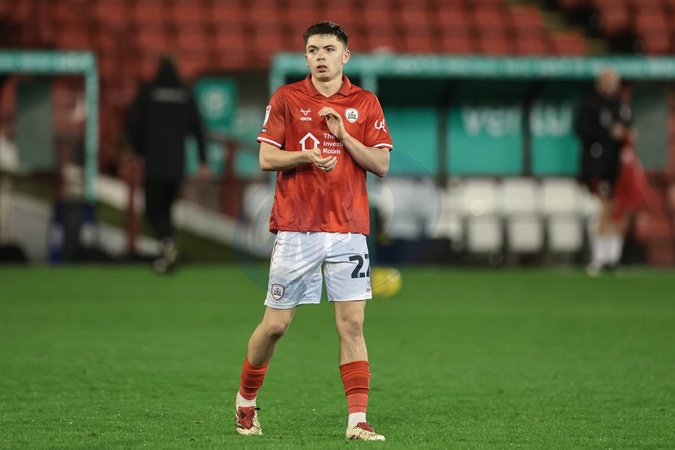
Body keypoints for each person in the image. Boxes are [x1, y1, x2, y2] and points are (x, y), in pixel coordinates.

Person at [234, 22, 392, 441]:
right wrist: (304, 155)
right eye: (313, 50)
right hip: (297, 229)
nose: (320, 56)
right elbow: (266, 158)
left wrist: (344, 136)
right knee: (275, 326)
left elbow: (380, 164)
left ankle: (357, 420)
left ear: (345, 56)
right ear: (305, 57)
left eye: (329, 49)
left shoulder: (365, 102)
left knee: (352, 326)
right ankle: (246, 401)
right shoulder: (286, 98)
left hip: (349, 230)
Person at [127, 54, 211, 273]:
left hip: (154, 161)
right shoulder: (184, 93)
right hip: (176, 163)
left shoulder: (148, 91)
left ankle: (167, 242)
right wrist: (203, 159)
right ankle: (166, 253)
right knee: (167, 209)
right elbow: (198, 128)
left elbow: (135, 124)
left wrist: (136, 151)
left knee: (152, 210)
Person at [575, 67, 635, 275]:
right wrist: (608, 132)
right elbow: (581, 130)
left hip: (618, 167)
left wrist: (627, 133)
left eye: (612, 83)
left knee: (620, 210)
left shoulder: (621, 105)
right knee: (602, 209)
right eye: (605, 82)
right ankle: (598, 257)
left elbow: (629, 128)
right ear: (598, 84)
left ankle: (613, 256)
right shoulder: (590, 104)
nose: (609, 86)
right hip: (596, 166)